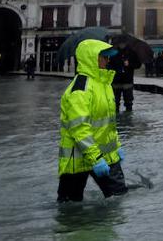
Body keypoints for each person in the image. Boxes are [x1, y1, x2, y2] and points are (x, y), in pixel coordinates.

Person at [57, 39, 127, 202]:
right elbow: (79, 128)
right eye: (103, 56)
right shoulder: (80, 89)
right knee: (70, 209)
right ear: (91, 58)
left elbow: (108, 124)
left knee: (119, 199)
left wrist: (116, 147)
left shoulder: (104, 84)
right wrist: (96, 158)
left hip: (105, 157)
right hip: (78, 162)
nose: (107, 60)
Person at [111, 45, 135, 112]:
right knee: (115, 103)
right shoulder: (113, 52)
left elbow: (137, 64)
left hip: (127, 81)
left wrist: (129, 64)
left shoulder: (131, 52)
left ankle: (128, 118)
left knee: (129, 102)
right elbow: (109, 64)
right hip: (116, 80)